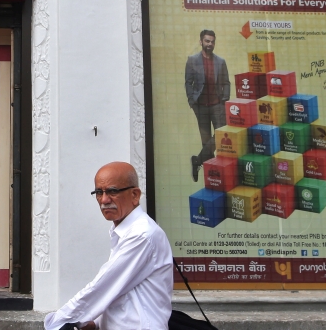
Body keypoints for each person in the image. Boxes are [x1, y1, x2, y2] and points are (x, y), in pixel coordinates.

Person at [44, 162, 173, 330]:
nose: (104, 200)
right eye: (99, 192)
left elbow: (101, 289)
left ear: (135, 195)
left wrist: (55, 322)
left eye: (112, 191)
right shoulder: (125, 232)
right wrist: (96, 323)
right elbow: (121, 295)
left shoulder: (141, 235)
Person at [184, 29, 230, 182]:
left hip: (217, 105)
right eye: (207, 41)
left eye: (212, 41)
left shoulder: (220, 61)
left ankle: (197, 160)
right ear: (201, 42)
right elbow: (188, 83)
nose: (210, 44)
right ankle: (212, 177)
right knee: (206, 141)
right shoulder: (192, 60)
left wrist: (224, 101)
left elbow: (226, 82)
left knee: (220, 136)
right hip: (201, 106)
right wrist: (192, 102)